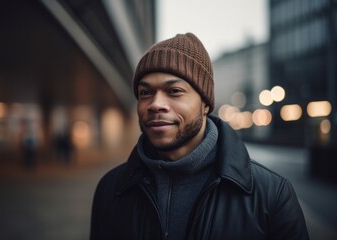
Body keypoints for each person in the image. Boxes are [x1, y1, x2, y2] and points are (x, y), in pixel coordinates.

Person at [90, 33, 310, 240]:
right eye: (145, 92)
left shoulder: (271, 195)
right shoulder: (110, 189)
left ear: (205, 104)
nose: (155, 104)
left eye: (174, 91)